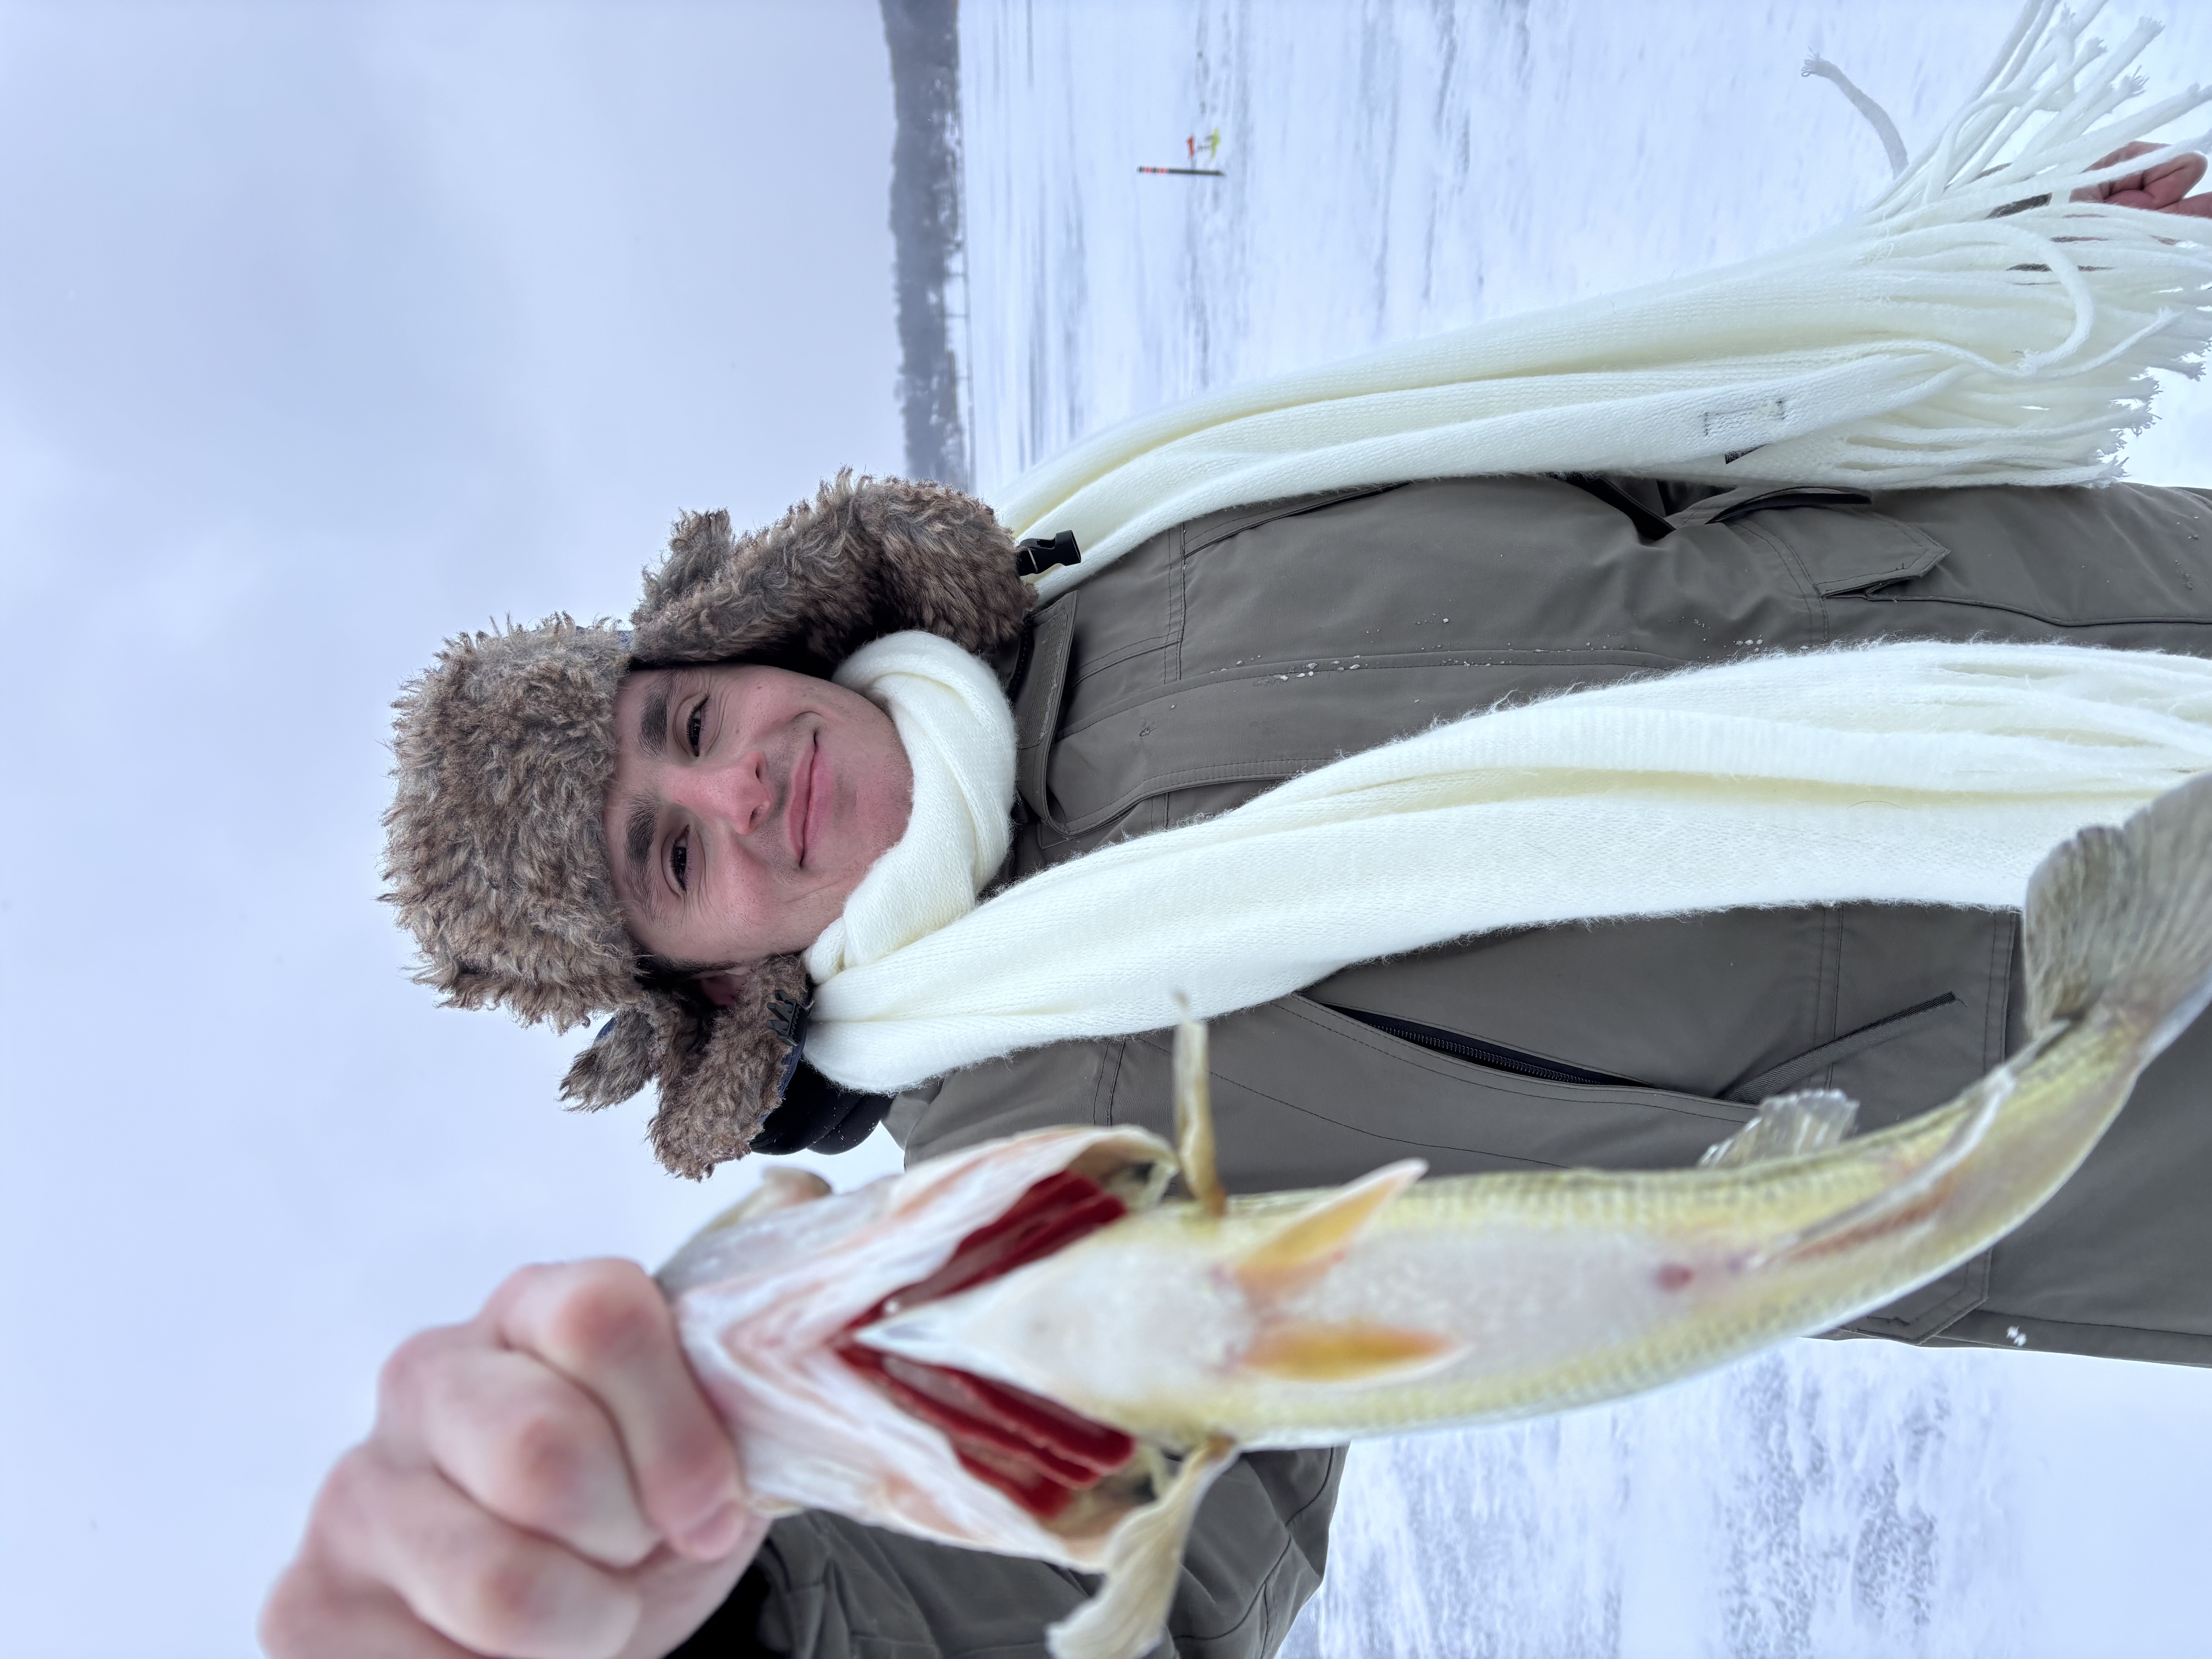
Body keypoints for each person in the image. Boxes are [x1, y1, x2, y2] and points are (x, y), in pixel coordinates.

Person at [266, 156, 2212, 1659]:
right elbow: (1059, 1580)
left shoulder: (1140, 523)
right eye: (666, 854)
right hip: (2138, 1077)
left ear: (726, 648)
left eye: (677, 726)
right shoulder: (1032, 1168)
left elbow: (1677, 449)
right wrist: (690, 1619)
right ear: (697, 984)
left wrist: (2001, 266)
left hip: (2154, 619)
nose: (733, 783)